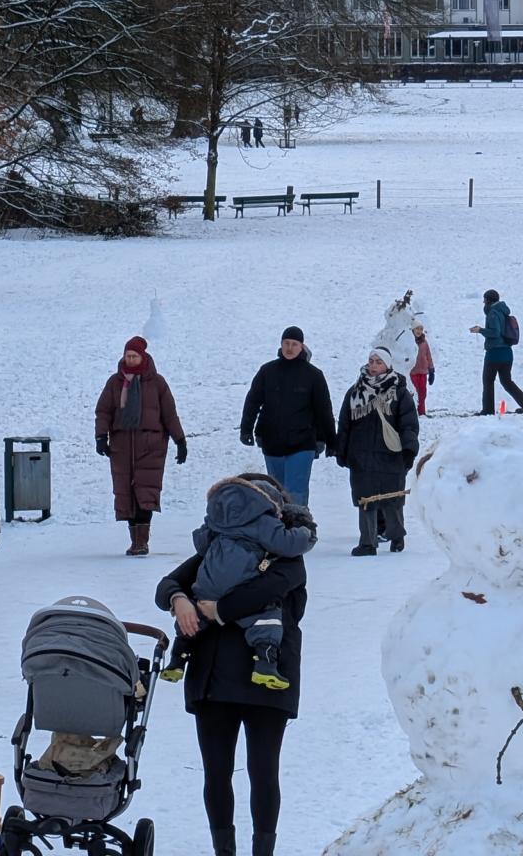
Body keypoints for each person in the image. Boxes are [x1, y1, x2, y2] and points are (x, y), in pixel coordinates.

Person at [156, 474, 307, 856]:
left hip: (266, 680)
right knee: (218, 772)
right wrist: (179, 599)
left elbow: (266, 590)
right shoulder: (218, 548)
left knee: (262, 771)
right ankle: (224, 850)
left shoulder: (288, 559)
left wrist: (219, 609)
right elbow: (167, 585)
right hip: (214, 679)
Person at [163, 476, 316, 690]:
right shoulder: (268, 529)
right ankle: (266, 661)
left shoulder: (220, 539)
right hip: (225, 685)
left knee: (194, 620)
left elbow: (200, 541)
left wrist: (216, 609)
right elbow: (261, 593)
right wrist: (178, 599)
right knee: (267, 617)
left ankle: (177, 658)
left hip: (216, 683)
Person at [95, 336, 187, 556]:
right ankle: (135, 541)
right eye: (128, 355)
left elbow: (169, 414)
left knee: (145, 492)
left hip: (150, 446)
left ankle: (142, 542)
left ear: (143, 357)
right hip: (122, 446)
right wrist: (101, 437)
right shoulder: (115, 382)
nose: (130, 359)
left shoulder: (157, 383)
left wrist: (180, 441)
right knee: (126, 493)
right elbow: (104, 411)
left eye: (134, 356)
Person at [333, 347, 420, 555]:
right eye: (371, 361)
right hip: (361, 456)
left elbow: (408, 424)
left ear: (387, 365)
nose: (373, 365)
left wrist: (409, 449)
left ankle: (396, 536)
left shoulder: (399, 393)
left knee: (392, 499)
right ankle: (367, 543)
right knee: (365, 500)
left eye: (378, 362)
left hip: (390, 454)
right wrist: (341, 450)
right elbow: (345, 424)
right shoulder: (355, 392)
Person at [240, 326, 337, 508]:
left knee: (295, 493)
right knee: (275, 492)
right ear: (281, 344)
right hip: (271, 441)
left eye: (294, 344)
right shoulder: (267, 371)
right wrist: (246, 429)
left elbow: (324, 410)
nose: (290, 348)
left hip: (302, 443)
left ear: (302, 346)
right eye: (286, 343)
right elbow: (252, 401)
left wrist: (331, 441)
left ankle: (299, 524)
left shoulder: (313, 375)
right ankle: (279, 525)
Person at [471, 290, 523, 415]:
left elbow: (495, 332)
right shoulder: (503, 311)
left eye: (484, 299)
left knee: (488, 381)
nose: (483, 302)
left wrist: (480, 330)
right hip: (507, 353)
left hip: (494, 354)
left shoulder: (493, 313)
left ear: (489, 300)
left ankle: (488, 410)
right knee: (506, 381)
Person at [408, 322, 435, 417]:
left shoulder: (424, 342)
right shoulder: (409, 341)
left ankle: (422, 413)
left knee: (422, 393)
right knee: (414, 393)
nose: (419, 331)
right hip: (412, 372)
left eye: (421, 329)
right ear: (412, 329)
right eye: (417, 328)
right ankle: (413, 412)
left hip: (423, 372)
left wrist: (431, 370)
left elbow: (428, 355)